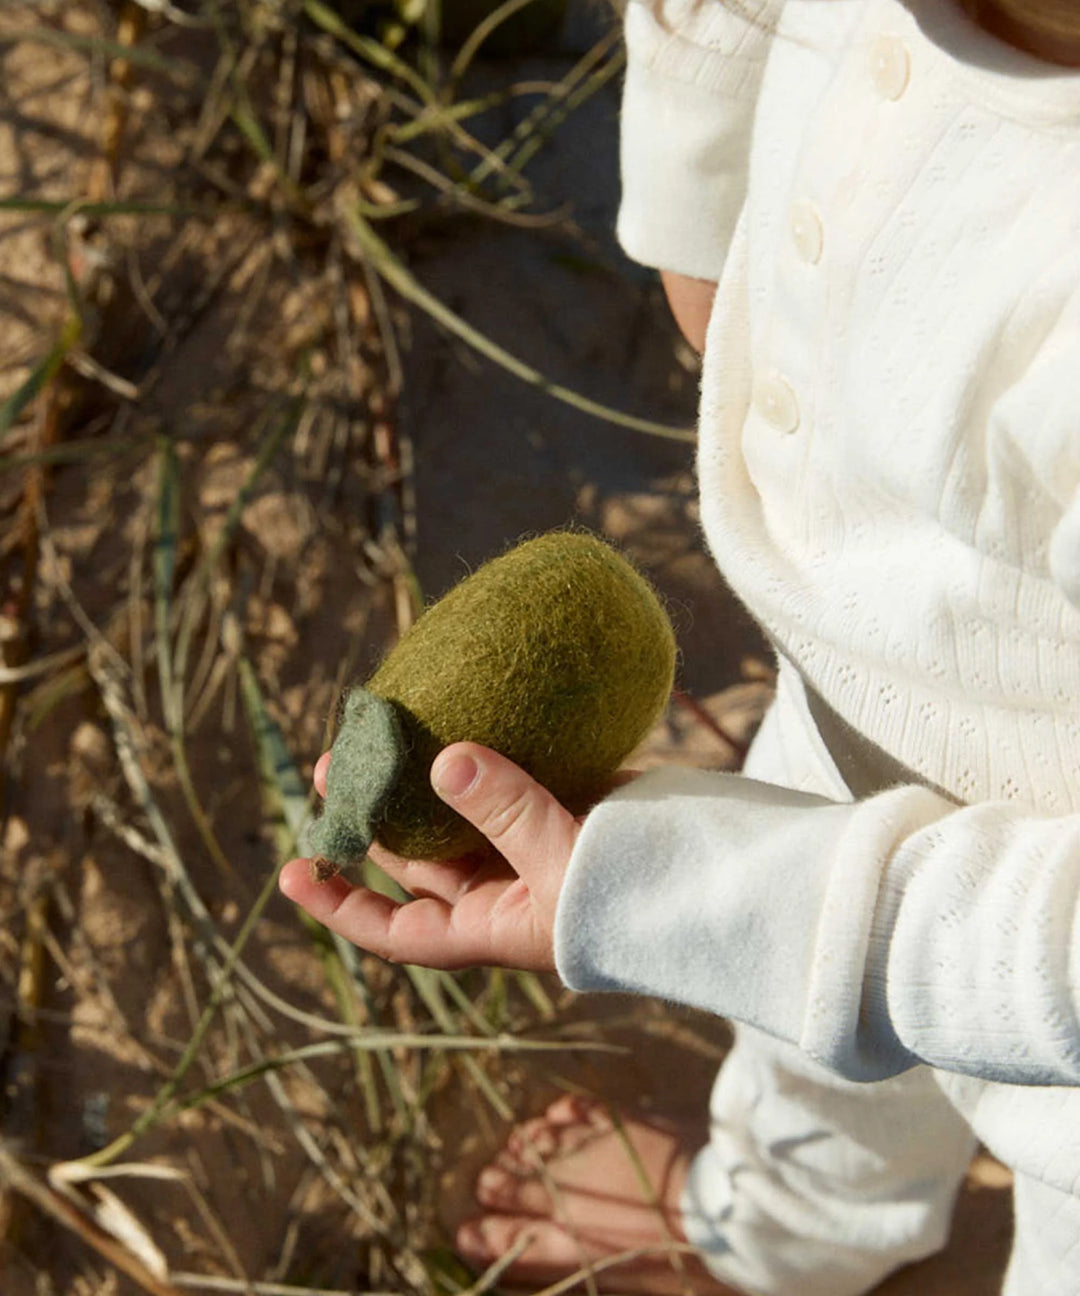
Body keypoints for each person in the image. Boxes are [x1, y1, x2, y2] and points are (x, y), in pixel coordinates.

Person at [280, 0, 1080, 1291]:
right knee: (809, 1051)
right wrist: (697, 184)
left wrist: (755, 904)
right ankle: (776, 1234)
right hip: (846, 707)